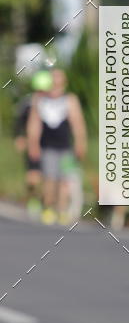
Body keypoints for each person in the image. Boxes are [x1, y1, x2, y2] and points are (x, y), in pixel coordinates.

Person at [26, 67, 87, 225]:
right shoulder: (39, 99)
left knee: (65, 180)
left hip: (66, 147)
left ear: (64, 81)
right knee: (50, 179)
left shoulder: (69, 99)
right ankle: (48, 207)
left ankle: (62, 210)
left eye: (59, 77)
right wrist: (33, 144)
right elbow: (34, 124)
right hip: (47, 147)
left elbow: (77, 123)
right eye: (53, 77)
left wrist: (80, 143)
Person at [13, 70, 53, 217]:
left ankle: (47, 204)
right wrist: (19, 137)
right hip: (32, 144)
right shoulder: (27, 103)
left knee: (49, 176)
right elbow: (18, 122)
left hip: (50, 145)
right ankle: (33, 198)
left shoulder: (53, 104)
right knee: (33, 177)